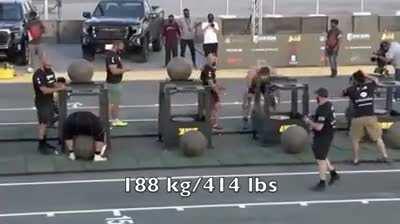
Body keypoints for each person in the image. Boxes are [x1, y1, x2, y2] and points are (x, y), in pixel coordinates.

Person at [343, 70, 390, 165]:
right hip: (370, 117)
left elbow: (342, 93)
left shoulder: (351, 89)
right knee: (378, 138)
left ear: (354, 80)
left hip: (357, 118)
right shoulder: (370, 86)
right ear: (364, 79)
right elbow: (376, 80)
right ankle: (385, 156)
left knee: (355, 139)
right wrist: (366, 75)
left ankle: (356, 159)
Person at [303, 88, 339, 191]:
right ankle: (333, 173)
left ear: (321, 96)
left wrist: (308, 121)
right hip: (327, 133)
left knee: (320, 159)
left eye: (317, 96)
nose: (316, 98)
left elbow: (319, 127)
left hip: (324, 135)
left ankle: (322, 182)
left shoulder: (322, 108)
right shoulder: (328, 104)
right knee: (323, 155)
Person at [32, 53, 66, 154]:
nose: (51, 62)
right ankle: (41, 145)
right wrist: (59, 88)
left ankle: (46, 140)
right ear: (42, 61)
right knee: (43, 123)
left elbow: (53, 83)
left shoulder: (50, 71)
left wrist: (62, 86)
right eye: (48, 60)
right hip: (42, 101)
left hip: (50, 101)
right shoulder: (38, 75)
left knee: (51, 120)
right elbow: (44, 90)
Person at [106, 41, 130, 127]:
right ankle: (108, 120)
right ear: (116, 46)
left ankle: (113, 120)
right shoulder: (112, 56)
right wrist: (125, 70)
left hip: (115, 82)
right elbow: (114, 71)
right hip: (113, 83)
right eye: (121, 47)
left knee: (114, 103)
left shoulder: (115, 55)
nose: (122, 49)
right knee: (113, 103)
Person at [200, 54, 223, 131]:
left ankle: (212, 124)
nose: (215, 61)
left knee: (214, 107)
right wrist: (216, 89)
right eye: (213, 59)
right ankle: (212, 125)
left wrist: (218, 86)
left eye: (215, 59)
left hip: (210, 90)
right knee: (213, 107)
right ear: (209, 60)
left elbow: (212, 80)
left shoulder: (210, 68)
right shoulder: (208, 69)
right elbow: (210, 81)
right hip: (209, 91)